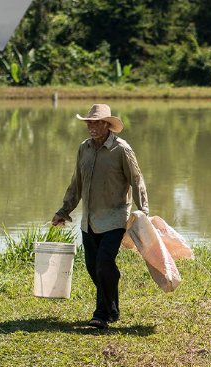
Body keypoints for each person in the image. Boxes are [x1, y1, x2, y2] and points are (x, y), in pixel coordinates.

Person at [51, 104, 149, 329]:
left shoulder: (122, 149)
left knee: (104, 263)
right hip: (89, 221)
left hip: (115, 218)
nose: (92, 127)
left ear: (107, 125)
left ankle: (101, 314)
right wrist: (64, 211)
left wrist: (143, 211)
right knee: (92, 266)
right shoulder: (83, 148)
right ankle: (112, 306)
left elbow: (137, 180)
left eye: (96, 123)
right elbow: (77, 182)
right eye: (89, 123)